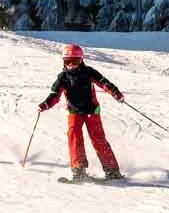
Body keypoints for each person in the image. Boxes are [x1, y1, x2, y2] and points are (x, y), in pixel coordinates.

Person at [37, 44, 125, 182]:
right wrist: (46, 104)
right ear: (63, 62)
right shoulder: (62, 77)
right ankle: (79, 170)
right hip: (74, 112)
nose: (71, 65)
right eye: (68, 62)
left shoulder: (89, 72)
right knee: (74, 137)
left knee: (98, 139)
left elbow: (104, 83)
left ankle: (112, 170)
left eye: (75, 61)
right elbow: (54, 95)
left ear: (81, 60)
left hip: (92, 110)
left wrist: (116, 93)